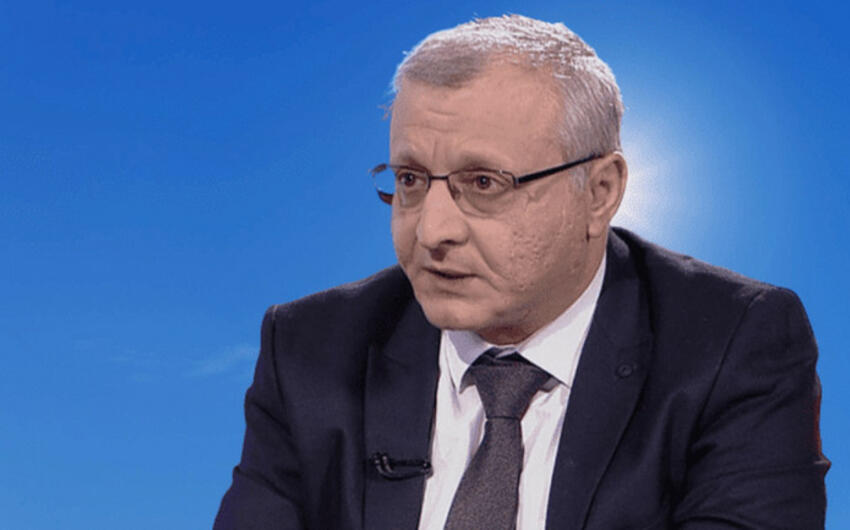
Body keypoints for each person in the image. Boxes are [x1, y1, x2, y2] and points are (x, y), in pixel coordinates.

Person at [214, 15, 828, 529]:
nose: (431, 231)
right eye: (411, 180)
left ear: (600, 192)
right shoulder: (310, 350)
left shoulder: (734, 346)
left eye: (483, 183)